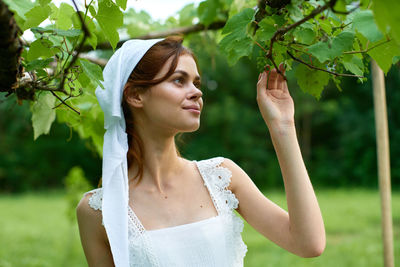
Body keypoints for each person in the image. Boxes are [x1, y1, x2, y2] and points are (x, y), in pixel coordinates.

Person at [76, 36, 325, 267]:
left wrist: (283, 126)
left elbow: (309, 243)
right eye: (178, 80)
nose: (197, 92)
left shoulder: (221, 177)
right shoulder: (98, 211)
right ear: (135, 95)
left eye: (196, 82)